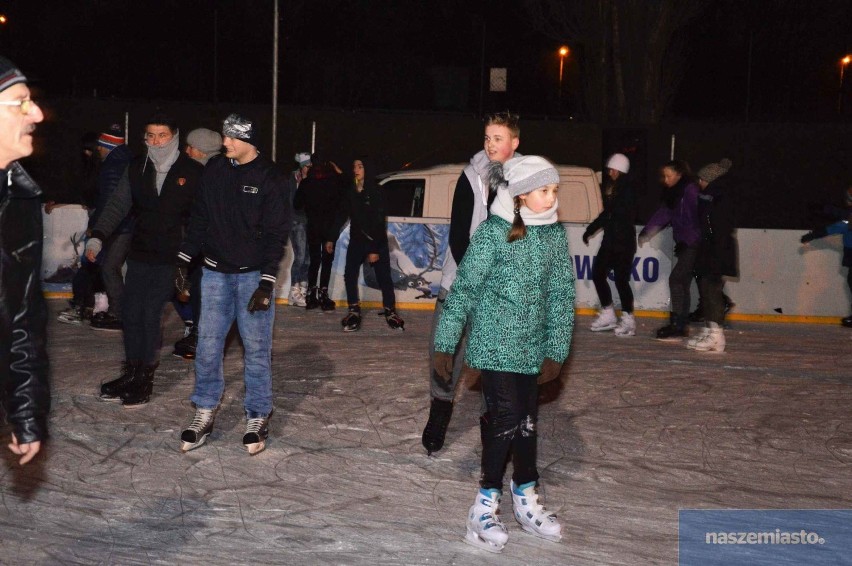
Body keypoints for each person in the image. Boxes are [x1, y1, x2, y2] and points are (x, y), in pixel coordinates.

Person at [433, 155, 574, 553]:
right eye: (545, 191)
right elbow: (463, 291)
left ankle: (525, 495)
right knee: (508, 417)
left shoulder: (553, 235)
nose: (553, 198)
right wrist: (446, 342)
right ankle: (484, 503)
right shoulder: (494, 232)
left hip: (532, 348)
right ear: (520, 196)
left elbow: (562, 296)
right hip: (494, 346)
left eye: (554, 190)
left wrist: (556, 350)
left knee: (527, 422)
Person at [177, 113, 289, 456]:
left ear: (249, 141)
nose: (225, 143)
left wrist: (267, 283)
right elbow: (200, 218)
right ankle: (205, 409)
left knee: (256, 350)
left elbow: (276, 234)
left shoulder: (271, 178)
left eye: (231, 138)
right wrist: (184, 258)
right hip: (214, 274)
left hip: (253, 275)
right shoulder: (215, 170)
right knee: (208, 346)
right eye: (225, 136)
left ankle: (257, 413)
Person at [85, 113, 203, 405]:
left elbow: (203, 218)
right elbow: (117, 204)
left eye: (161, 135)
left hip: (173, 257)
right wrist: (98, 234)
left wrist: (191, 255)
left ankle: (144, 380)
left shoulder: (193, 170)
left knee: (150, 314)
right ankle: (132, 370)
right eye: (150, 136)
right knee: (131, 313)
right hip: (140, 253)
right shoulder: (137, 167)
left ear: (174, 136)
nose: (155, 141)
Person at [422, 111, 520, 456]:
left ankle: (491, 426)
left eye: (498, 138)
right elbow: (458, 236)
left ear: (514, 143)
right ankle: (440, 411)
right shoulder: (470, 177)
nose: (490, 144)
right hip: (461, 280)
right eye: (487, 138)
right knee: (445, 352)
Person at [0, 56, 50, 465]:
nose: (36, 113)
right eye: (21, 102)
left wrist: (25, 412)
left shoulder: (20, 200)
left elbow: (20, 321)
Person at [328, 157, 404, 332]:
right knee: (350, 274)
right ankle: (353, 309)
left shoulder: (376, 191)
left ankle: (390, 310)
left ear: (367, 169)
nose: (356, 169)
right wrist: (331, 237)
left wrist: (374, 249)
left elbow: (378, 221)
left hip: (376, 241)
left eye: (360, 166)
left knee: (384, 277)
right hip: (357, 241)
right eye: (354, 166)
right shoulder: (352, 192)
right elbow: (342, 215)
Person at [172, 128, 222, 360]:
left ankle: (201, 334)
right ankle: (197, 329)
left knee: (203, 288)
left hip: (212, 247)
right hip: (199, 244)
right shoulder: (199, 172)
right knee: (188, 286)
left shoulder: (213, 175)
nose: (186, 151)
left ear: (201, 152)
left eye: (190, 147)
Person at [638, 160, 700, 340]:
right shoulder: (674, 193)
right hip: (686, 243)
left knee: (677, 280)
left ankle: (679, 324)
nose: (665, 180)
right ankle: (680, 324)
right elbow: (664, 213)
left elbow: (698, 219)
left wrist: (688, 240)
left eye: (668, 176)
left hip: (694, 243)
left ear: (679, 174)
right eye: (664, 176)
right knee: (681, 282)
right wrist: (647, 232)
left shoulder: (690, 190)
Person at [583, 153, 637, 337]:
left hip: (623, 242)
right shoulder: (613, 189)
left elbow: (613, 215)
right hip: (611, 240)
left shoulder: (626, 189)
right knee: (598, 273)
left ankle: (628, 318)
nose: (610, 172)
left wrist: (592, 228)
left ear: (620, 171)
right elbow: (608, 214)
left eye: (613, 169)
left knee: (621, 280)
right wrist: (591, 229)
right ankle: (608, 313)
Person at [87, 123, 133, 331]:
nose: (98, 149)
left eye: (100, 145)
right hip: (123, 226)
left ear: (106, 145)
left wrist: (98, 227)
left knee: (109, 268)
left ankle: (120, 313)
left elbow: (111, 201)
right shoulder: (121, 161)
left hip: (119, 227)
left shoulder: (113, 166)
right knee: (111, 268)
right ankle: (120, 311)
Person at [688, 158, 736, 352]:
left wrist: (714, 251)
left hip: (716, 251)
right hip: (710, 250)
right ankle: (711, 330)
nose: (699, 183)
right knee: (707, 290)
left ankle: (716, 337)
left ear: (710, 179)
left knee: (711, 291)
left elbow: (719, 228)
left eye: (701, 179)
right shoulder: (710, 197)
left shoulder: (718, 198)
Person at [294, 155, 343, 311]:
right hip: (329, 229)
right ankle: (323, 293)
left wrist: (305, 183)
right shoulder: (334, 182)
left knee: (315, 261)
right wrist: (337, 170)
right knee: (327, 261)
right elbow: (348, 185)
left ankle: (311, 293)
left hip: (314, 227)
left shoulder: (308, 183)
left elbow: (297, 204)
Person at [801, 191, 852, 328]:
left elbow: (835, 225)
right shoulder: (847, 219)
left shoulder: (847, 219)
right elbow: (838, 221)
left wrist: (811, 235)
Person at [286, 152, 311, 307]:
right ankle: (293, 291)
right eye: (308, 166)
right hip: (297, 222)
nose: (310, 169)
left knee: (307, 259)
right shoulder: (294, 179)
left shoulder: (311, 181)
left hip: (308, 222)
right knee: (300, 257)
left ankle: (302, 290)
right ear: (302, 167)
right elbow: (292, 202)